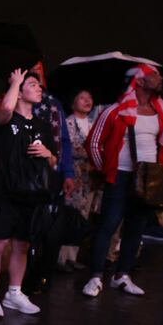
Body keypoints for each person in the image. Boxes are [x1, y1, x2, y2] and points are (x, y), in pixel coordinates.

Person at [83, 64, 163, 297]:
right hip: (120, 175)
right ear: (139, 81)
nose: (160, 78)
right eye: (154, 74)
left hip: (148, 178)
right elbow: (93, 143)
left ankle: (122, 276)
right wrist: (107, 171)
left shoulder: (161, 112)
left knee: (136, 228)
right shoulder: (116, 111)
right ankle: (95, 276)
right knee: (108, 226)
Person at [0, 70, 58, 316]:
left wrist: (49, 155)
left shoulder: (42, 125)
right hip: (5, 191)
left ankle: (14, 293)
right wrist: (14, 82)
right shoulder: (5, 118)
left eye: (39, 85)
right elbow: (4, 111)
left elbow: (54, 161)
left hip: (32, 194)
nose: (39, 89)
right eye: (33, 84)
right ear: (19, 89)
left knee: (22, 245)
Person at [59, 89, 100, 270]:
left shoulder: (94, 124)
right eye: (82, 97)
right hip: (74, 174)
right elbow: (68, 148)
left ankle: (73, 256)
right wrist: (91, 153)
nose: (87, 100)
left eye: (90, 97)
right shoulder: (67, 122)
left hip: (89, 176)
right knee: (70, 213)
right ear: (73, 102)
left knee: (83, 214)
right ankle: (61, 258)